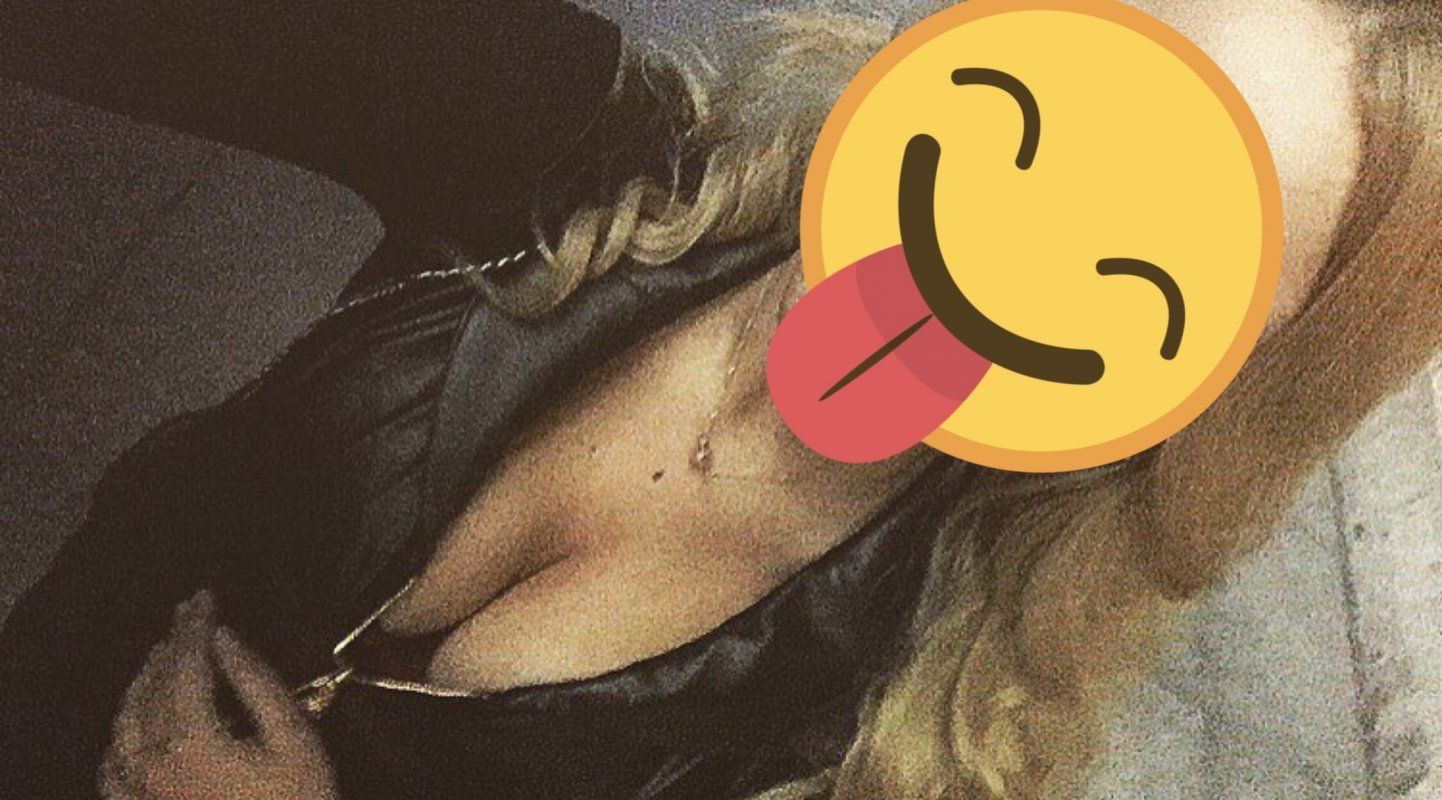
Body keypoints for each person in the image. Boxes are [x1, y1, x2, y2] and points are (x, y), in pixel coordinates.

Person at [0, 1, 1436, 798]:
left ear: (1242, 370)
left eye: (1187, 233)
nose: (1030, 228)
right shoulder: (592, 147)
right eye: (1102, 84)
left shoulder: (912, 729)